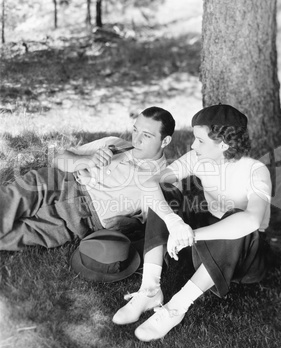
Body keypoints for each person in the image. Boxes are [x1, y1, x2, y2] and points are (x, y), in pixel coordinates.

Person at [112, 103, 272, 342]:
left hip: (243, 257)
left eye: (200, 140)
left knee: (240, 217)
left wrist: (192, 235)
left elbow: (252, 220)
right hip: (204, 239)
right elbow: (150, 183)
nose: (192, 145)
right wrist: (174, 223)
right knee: (165, 193)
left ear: (224, 145)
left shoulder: (255, 171)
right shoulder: (197, 158)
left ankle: (176, 307)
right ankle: (150, 289)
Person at [0, 106, 175, 251]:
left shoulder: (163, 181)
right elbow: (57, 159)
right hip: (59, 182)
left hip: (82, 218)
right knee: (16, 196)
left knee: (21, 234)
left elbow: (148, 229)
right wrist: (87, 161)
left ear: (165, 141)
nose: (136, 140)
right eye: (135, 130)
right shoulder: (115, 144)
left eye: (146, 135)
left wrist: (125, 223)